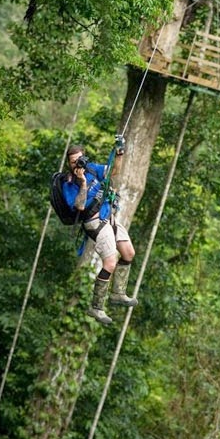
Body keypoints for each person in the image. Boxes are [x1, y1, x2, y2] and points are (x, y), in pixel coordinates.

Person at [63, 139, 138, 325]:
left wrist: (119, 154)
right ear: (69, 164)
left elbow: (114, 171)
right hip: (94, 222)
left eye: (80, 160)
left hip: (108, 216)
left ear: (84, 158)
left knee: (129, 253)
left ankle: (118, 293)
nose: (78, 164)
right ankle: (96, 307)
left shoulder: (92, 169)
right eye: (74, 162)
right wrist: (82, 183)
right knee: (110, 262)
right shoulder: (69, 184)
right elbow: (79, 206)